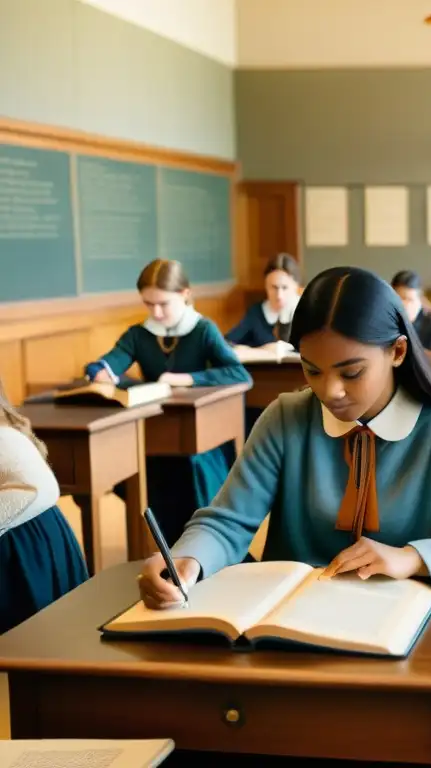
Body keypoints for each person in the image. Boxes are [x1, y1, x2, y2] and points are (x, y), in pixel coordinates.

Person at [137, 266, 431, 608]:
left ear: (398, 351)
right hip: (286, 617)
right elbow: (226, 522)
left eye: (351, 372)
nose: (330, 391)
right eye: (312, 370)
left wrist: (411, 557)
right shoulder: (285, 418)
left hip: (395, 621)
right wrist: (189, 560)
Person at [84, 259, 252, 546]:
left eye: (163, 303)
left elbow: (239, 374)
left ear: (185, 294)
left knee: (191, 467)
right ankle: (162, 545)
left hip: (199, 437)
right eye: (148, 304)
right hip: (152, 434)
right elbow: (108, 362)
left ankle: (200, 543)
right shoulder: (138, 334)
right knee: (129, 464)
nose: (156, 312)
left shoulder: (203, 330)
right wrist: (99, 371)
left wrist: (188, 379)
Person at [0, 377, 88, 634]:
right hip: (23, 539)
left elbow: (38, 488)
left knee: (38, 642)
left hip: (25, 548)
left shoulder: (4, 438)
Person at [225, 253, 303, 348]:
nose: (279, 295)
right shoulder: (256, 313)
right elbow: (227, 343)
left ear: (296, 286)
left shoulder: (308, 312)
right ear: (266, 286)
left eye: (285, 288)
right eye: (274, 288)